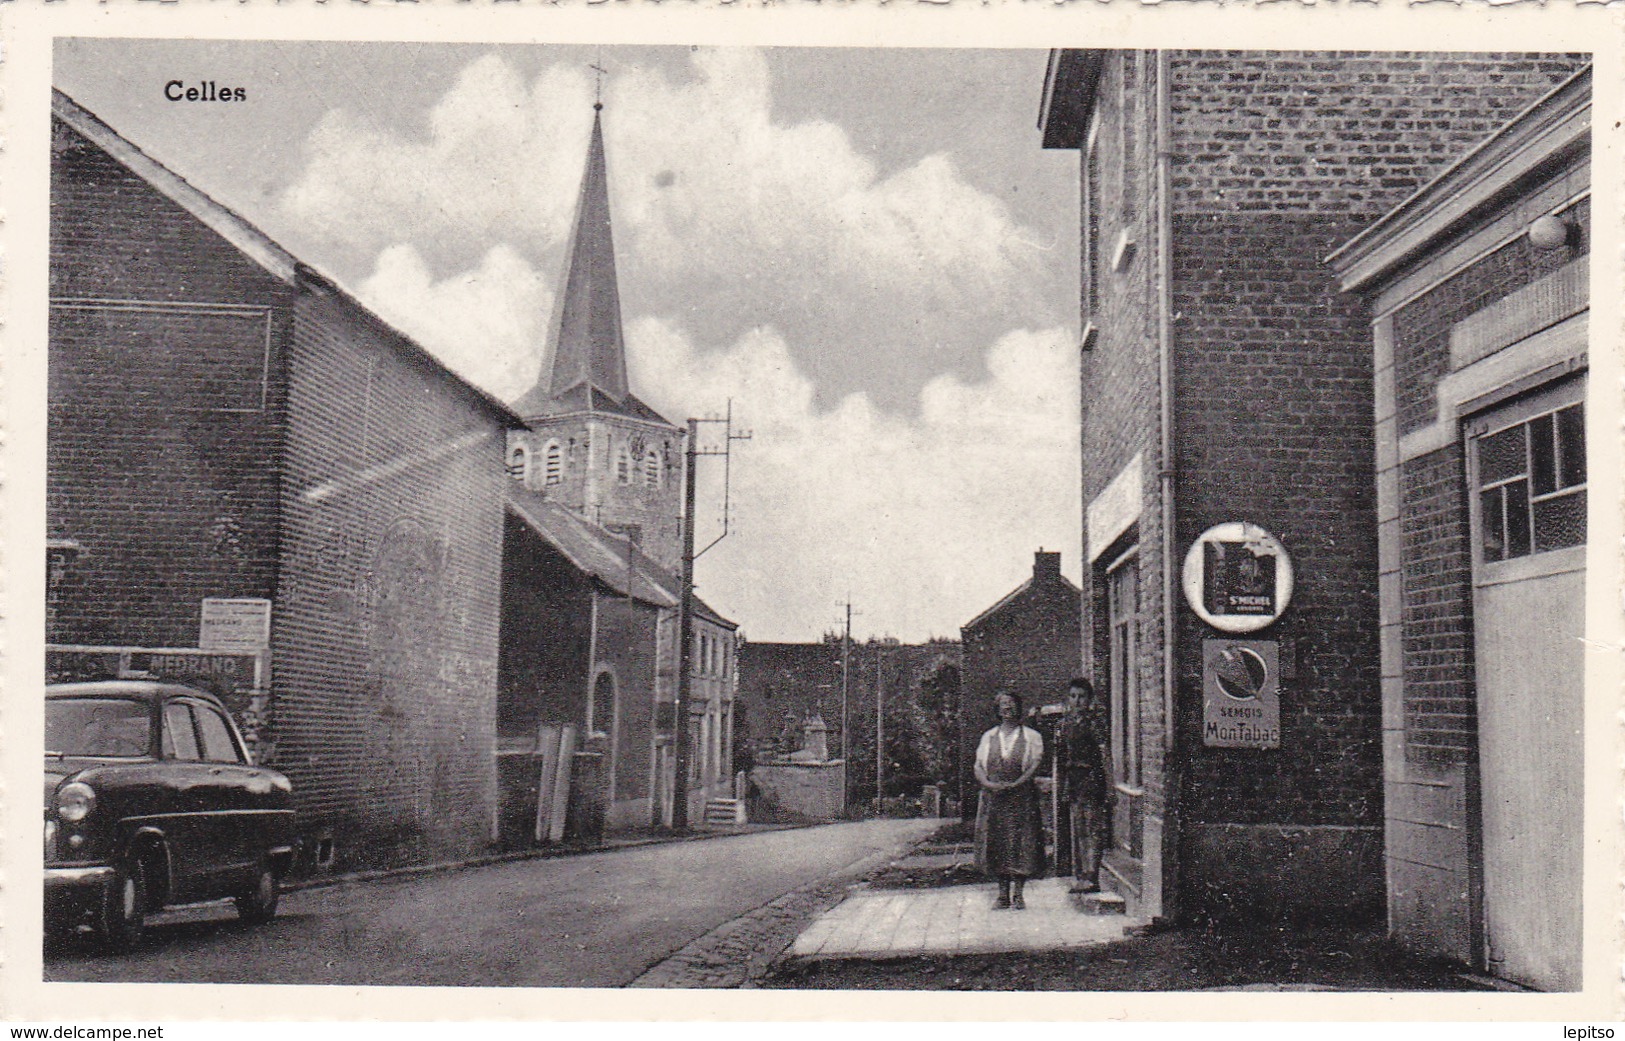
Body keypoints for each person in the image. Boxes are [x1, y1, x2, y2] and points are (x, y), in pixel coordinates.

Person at [973, 691, 1045, 910]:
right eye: (1003, 705)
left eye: (1011, 704)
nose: (1007, 708)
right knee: (998, 843)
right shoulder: (989, 737)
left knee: (1021, 843)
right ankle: (1002, 894)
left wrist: (1018, 783)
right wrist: (988, 784)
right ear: (997, 709)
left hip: (1020, 797)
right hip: (994, 798)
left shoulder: (1032, 736)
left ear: (1018, 707)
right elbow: (978, 766)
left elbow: (1034, 764)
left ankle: (1019, 894)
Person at [1057, 677, 1109, 894]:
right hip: (1073, 779)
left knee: (1092, 827)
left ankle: (1092, 876)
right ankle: (1080, 874)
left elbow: (1105, 754)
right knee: (1078, 827)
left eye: (1082, 697)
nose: (1077, 701)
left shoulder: (1094, 723)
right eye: (1073, 696)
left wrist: (1110, 783)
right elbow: (1060, 757)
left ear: (1089, 700)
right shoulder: (1065, 724)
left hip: (1091, 776)